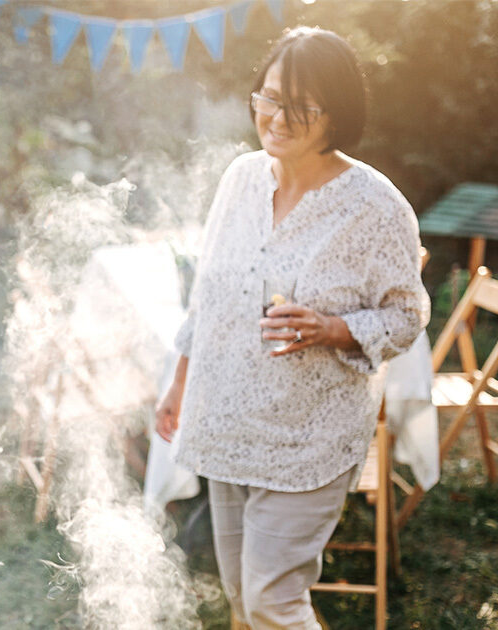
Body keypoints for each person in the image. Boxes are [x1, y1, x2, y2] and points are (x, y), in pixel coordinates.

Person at [154, 27, 429, 629]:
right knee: (241, 599)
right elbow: (210, 294)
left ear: (338, 113)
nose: (277, 117)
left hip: (308, 434)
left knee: (273, 601)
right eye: (269, 97)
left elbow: (408, 317)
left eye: (301, 105)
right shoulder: (241, 178)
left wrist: (333, 328)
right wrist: (179, 383)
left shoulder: (374, 206)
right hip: (228, 419)